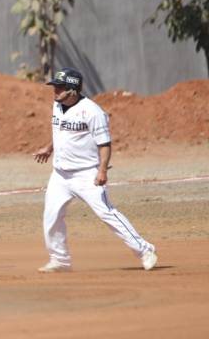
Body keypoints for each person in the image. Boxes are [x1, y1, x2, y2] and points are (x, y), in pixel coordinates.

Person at [33, 68, 158, 272]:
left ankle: (145, 250)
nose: (55, 90)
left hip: (86, 174)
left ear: (73, 89)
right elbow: (60, 130)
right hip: (60, 175)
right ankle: (60, 260)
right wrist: (48, 148)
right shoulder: (58, 106)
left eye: (60, 87)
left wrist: (102, 171)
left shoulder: (92, 112)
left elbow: (104, 144)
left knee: (107, 213)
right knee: (51, 216)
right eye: (54, 86)